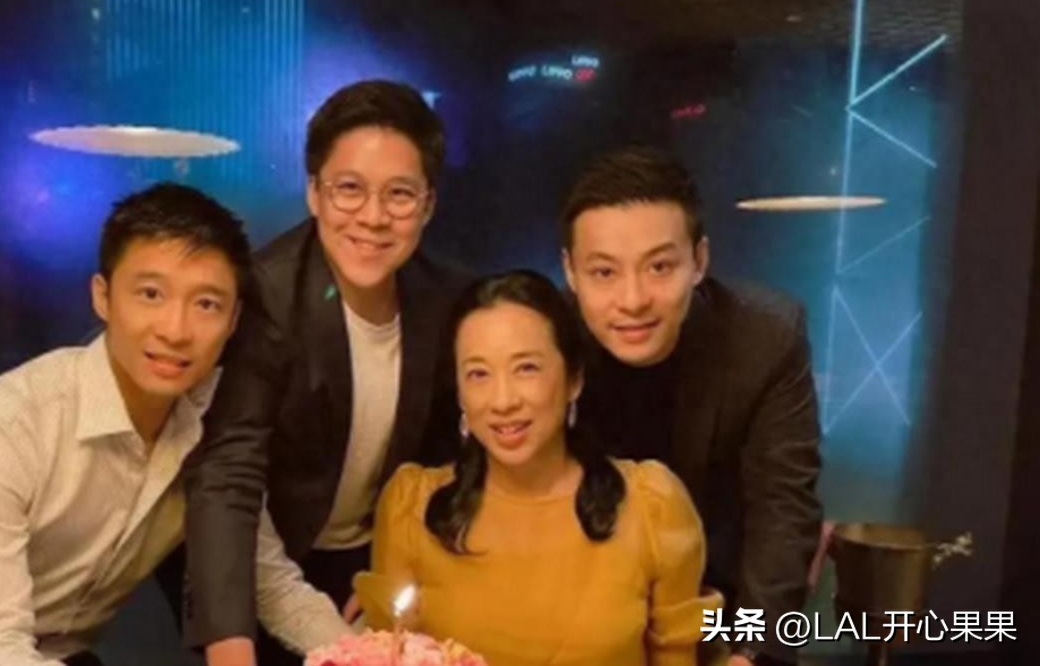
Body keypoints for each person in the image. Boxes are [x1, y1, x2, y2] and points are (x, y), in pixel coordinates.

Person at [0, 183, 251, 666]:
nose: (175, 330)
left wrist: (340, 645)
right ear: (103, 297)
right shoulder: (2, 424)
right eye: (150, 294)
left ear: (234, 320)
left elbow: (263, 571)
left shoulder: (216, 424)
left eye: (206, 304)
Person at [184, 80, 472, 666]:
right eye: (349, 189)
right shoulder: (265, 296)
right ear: (314, 192)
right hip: (257, 559)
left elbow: (445, 460)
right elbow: (230, 475)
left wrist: (396, 568)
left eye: (399, 194)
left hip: (369, 560)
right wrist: (229, 643)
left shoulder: (448, 301)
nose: (373, 217)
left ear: (428, 204)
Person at [355, 270, 721, 666]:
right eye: (478, 374)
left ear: (574, 379)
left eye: (526, 368)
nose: (503, 401)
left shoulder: (652, 506)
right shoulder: (411, 508)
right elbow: (386, 653)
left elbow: (681, 657)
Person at [560, 146, 823, 666]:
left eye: (659, 266)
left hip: (713, 610)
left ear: (699, 260)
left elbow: (782, 511)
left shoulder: (763, 338)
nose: (633, 299)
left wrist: (754, 655)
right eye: (604, 272)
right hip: (572, 612)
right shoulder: (544, 340)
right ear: (570, 272)